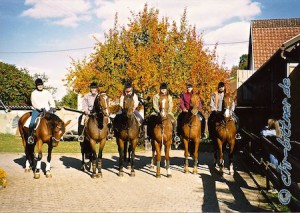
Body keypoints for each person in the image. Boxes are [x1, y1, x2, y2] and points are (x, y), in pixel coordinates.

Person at [28, 78, 56, 144]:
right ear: (36, 86)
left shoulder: (47, 92)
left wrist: (52, 107)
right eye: (38, 85)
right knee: (32, 123)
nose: (40, 86)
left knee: (57, 120)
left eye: (41, 85)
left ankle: (55, 137)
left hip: (47, 110)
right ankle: (30, 137)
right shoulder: (34, 93)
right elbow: (34, 102)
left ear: (43, 85)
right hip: (37, 110)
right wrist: (39, 108)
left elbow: (51, 100)